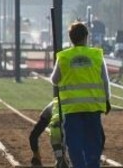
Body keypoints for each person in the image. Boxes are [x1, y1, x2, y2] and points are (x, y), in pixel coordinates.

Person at [50, 21, 110, 168]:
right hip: (93, 108)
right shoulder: (96, 55)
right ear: (86, 37)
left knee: (74, 143)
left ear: (71, 38)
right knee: (93, 143)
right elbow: (105, 80)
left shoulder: (63, 57)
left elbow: (54, 80)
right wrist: (107, 100)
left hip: (72, 110)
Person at [28, 98, 68, 168]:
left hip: (56, 132)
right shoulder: (77, 106)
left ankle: (61, 160)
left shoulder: (53, 104)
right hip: (72, 130)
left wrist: (36, 156)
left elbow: (34, 135)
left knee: (61, 160)